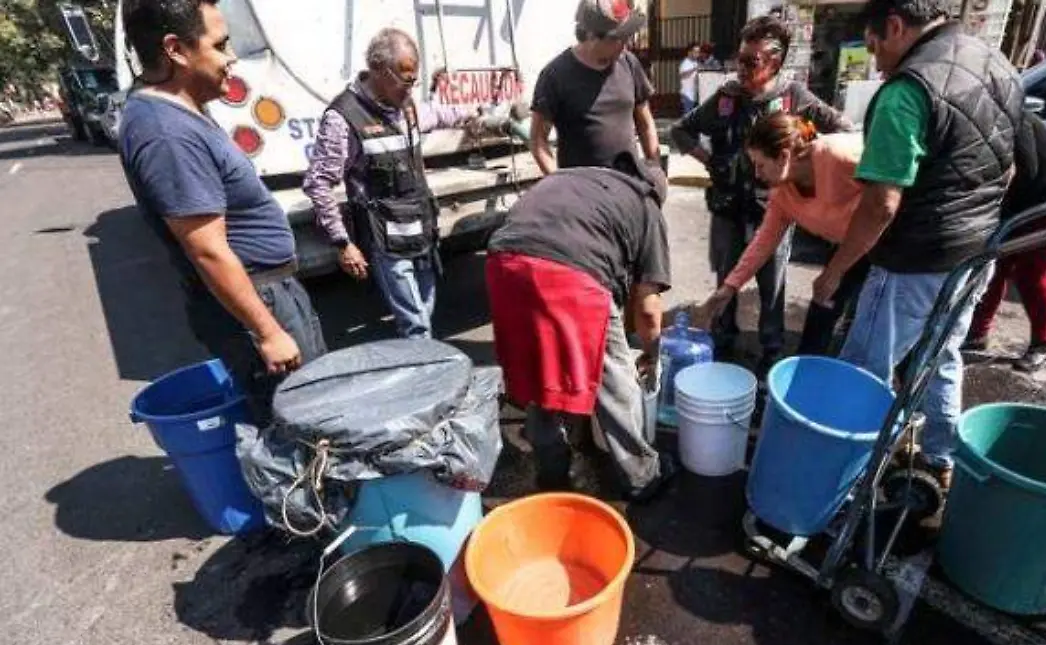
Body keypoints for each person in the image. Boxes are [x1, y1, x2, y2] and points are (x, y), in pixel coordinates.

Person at [811, 0, 1024, 488]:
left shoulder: (907, 89)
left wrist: (836, 270)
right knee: (941, 355)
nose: (877, 62)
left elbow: (881, 204)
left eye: (874, 48)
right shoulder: (993, 61)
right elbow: (1009, 165)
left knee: (864, 370)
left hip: (914, 259)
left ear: (894, 26)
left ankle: (839, 483)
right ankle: (939, 460)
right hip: (977, 250)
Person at [118, 0, 326, 427]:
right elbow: (208, 251)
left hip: (272, 290)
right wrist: (268, 332)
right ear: (176, 49)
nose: (231, 58)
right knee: (298, 428)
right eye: (220, 44)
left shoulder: (181, 112)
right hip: (258, 300)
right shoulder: (165, 134)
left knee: (318, 409)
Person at [485, 152, 675, 502]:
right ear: (655, 191)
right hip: (568, 277)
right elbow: (648, 308)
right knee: (615, 377)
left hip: (503, 265)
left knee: (537, 372)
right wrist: (652, 353)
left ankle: (552, 473)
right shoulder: (646, 206)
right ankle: (641, 477)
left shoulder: (577, 175)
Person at [670, 15, 852, 375]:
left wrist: (807, 161)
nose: (740, 67)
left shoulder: (794, 97)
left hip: (775, 209)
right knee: (727, 279)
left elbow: (843, 129)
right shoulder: (726, 97)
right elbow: (680, 131)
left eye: (750, 61)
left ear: (774, 62)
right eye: (740, 58)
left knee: (773, 287)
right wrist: (711, 161)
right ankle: (721, 342)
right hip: (727, 208)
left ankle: (771, 353)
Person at [302, 28, 476, 339]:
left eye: (414, 81)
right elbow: (318, 183)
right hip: (386, 240)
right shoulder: (344, 118)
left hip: (420, 230)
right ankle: (428, 379)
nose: (411, 89)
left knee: (426, 313)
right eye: (406, 80)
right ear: (380, 70)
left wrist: (477, 113)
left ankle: (428, 366)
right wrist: (343, 243)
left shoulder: (404, 106)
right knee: (416, 326)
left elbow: (438, 114)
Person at [695, 113, 869, 356]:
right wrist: (728, 288)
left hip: (893, 243)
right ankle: (803, 379)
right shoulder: (783, 194)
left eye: (761, 164)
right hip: (848, 247)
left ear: (784, 157)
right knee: (821, 312)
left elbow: (890, 195)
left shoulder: (837, 155)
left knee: (867, 333)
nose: (757, 174)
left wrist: (835, 273)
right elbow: (763, 243)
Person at [964, 114, 1046, 372]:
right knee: (992, 268)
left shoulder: (1013, 118)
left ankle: (1044, 342)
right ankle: (977, 334)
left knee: (1031, 275)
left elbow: (1025, 171)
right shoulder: (979, 115)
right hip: (1016, 206)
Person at [529, 0, 660, 174]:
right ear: (591, 36)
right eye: (617, 38)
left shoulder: (629, 64)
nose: (624, 44)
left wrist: (655, 169)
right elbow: (538, 142)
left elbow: (645, 123)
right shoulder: (555, 75)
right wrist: (561, 186)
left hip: (629, 185)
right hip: (584, 193)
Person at [679, 42, 702, 115]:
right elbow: (682, 75)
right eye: (695, 52)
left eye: (698, 52)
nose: (697, 54)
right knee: (688, 115)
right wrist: (694, 69)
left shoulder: (696, 62)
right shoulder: (685, 63)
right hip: (687, 94)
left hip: (694, 94)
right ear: (689, 52)